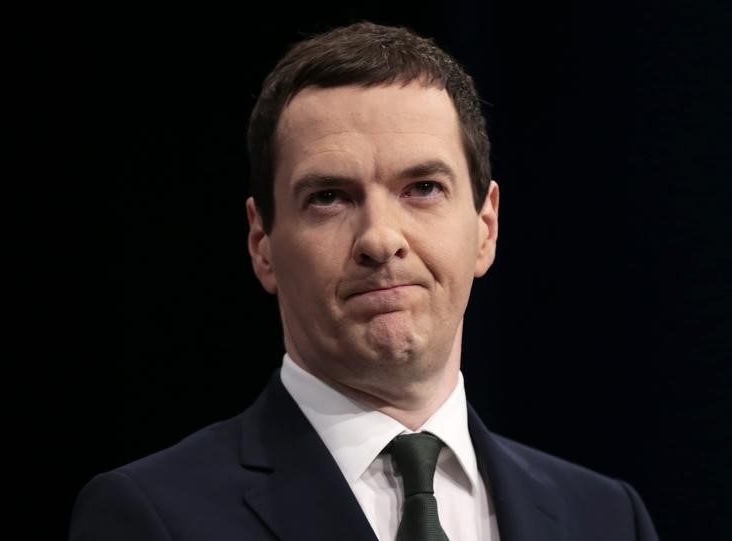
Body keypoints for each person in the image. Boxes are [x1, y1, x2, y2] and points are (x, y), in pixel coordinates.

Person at [69, 21, 659, 540]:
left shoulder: (605, 517)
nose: (380, 239)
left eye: (423, 188)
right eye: (329, 197)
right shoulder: (153, 517)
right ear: (262, 245)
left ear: (485, 227)